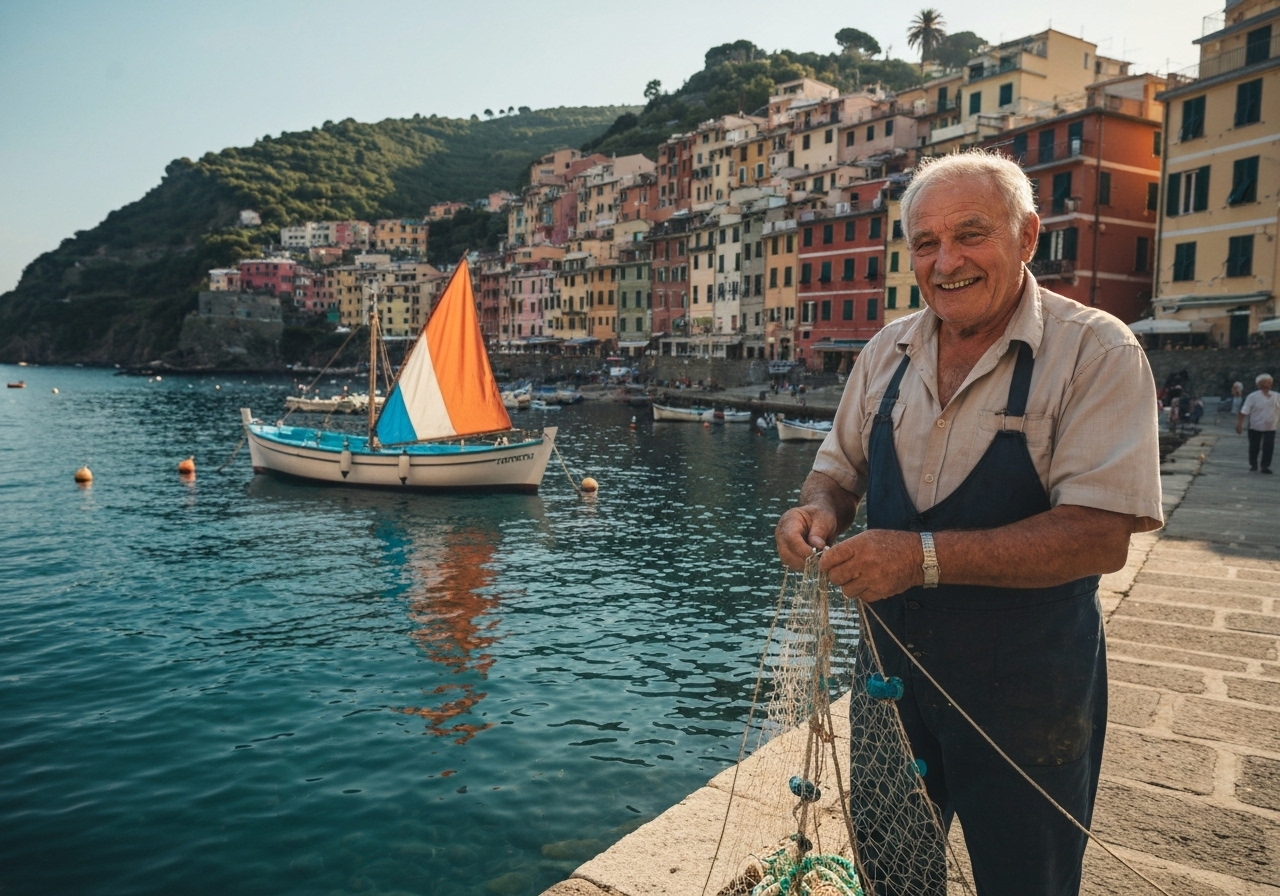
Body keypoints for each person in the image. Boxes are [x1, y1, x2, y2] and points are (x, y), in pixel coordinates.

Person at [775, 151, 1163, 896]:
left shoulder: (1098, 351)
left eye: (970, 234)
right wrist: (815, 510)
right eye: (925, 243)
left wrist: (918, 558)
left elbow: (1099, 536)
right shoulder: (884, 352)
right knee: (890, 872)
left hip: (1028, 690)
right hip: (889, 685)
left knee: (1027, 880)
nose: (945, 261)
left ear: (1027, 236)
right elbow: (836, 471)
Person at [1237, 373, 1279, 473]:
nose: (1267, 384)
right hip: (1255, 426)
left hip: (1270, 427)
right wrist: (1239, 424)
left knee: (1268, 447)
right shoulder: (1253, 397)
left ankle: (1265, 466)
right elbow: (1243, 412)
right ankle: (1253, 464)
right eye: (1264, 382)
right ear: (1259, 384)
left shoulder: (1276, 396)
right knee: (1254, 446)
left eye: (1269, 382)